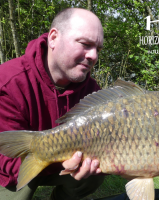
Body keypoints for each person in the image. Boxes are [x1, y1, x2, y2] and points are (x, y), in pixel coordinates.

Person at [0, 7, 104, 200]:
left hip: (62, 163)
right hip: (13, 166)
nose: (94, 56)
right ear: (54, 38)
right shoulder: (8, 81)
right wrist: (56, 162)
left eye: (98, 49)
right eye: (85, 44)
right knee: (16, 192)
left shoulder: (92, 91)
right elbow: (5, 154)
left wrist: (74, 165)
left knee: (94, 174)